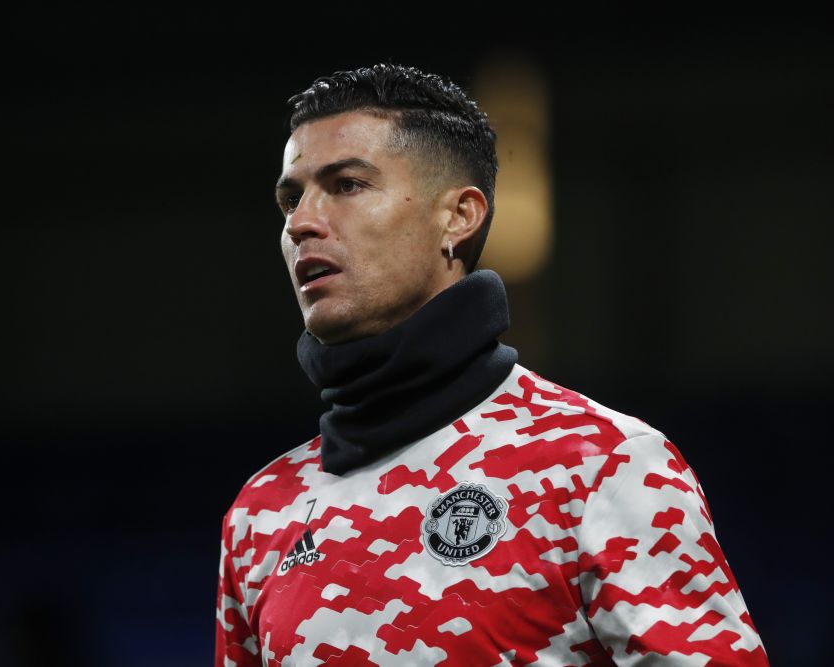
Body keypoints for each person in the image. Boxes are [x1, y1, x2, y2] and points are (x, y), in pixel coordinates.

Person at [215, 63, 768, 666]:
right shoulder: (261, 511)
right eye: (291, 198)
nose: (300, 223)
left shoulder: (599, 463)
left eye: (347, 184)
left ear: (459, 216)